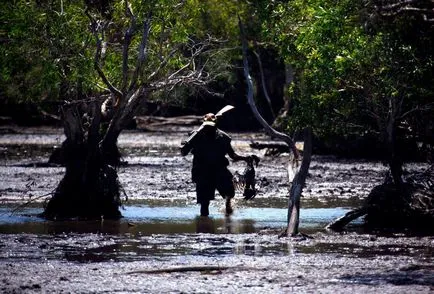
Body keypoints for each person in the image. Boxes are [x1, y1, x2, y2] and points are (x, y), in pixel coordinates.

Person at [181, 111, 254, 217]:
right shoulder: (195, 136)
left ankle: (228, 207)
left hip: (219, 170)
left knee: (229, 193)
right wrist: (184, 145)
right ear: (203, 125)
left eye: (211, 127)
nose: (208, 129)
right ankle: (204, 229)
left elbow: (232, 155)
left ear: (215, 125)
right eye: (207, 127)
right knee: (204, 203)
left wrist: (244, 158)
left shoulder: (223, 138)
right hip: (202, 172)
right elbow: (183, 153)